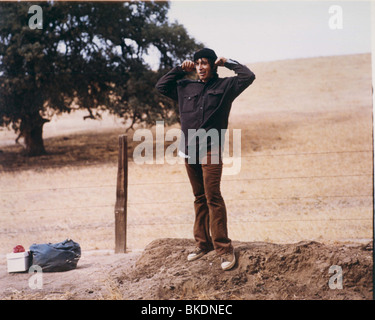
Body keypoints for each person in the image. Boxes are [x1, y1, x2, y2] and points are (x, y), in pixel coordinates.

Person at [155, 48, 255, 270]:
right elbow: (161, 86)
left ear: (213, 65)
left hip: (211, 147)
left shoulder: (226, 87)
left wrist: (228, 62)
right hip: (189, 148)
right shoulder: (184, 87)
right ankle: (203, 244)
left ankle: (224, 248)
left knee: (213, 196)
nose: (200, 67)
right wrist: (180, 69)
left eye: (205, 63)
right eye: (197, 63)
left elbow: (248, 76)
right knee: (198, 197)